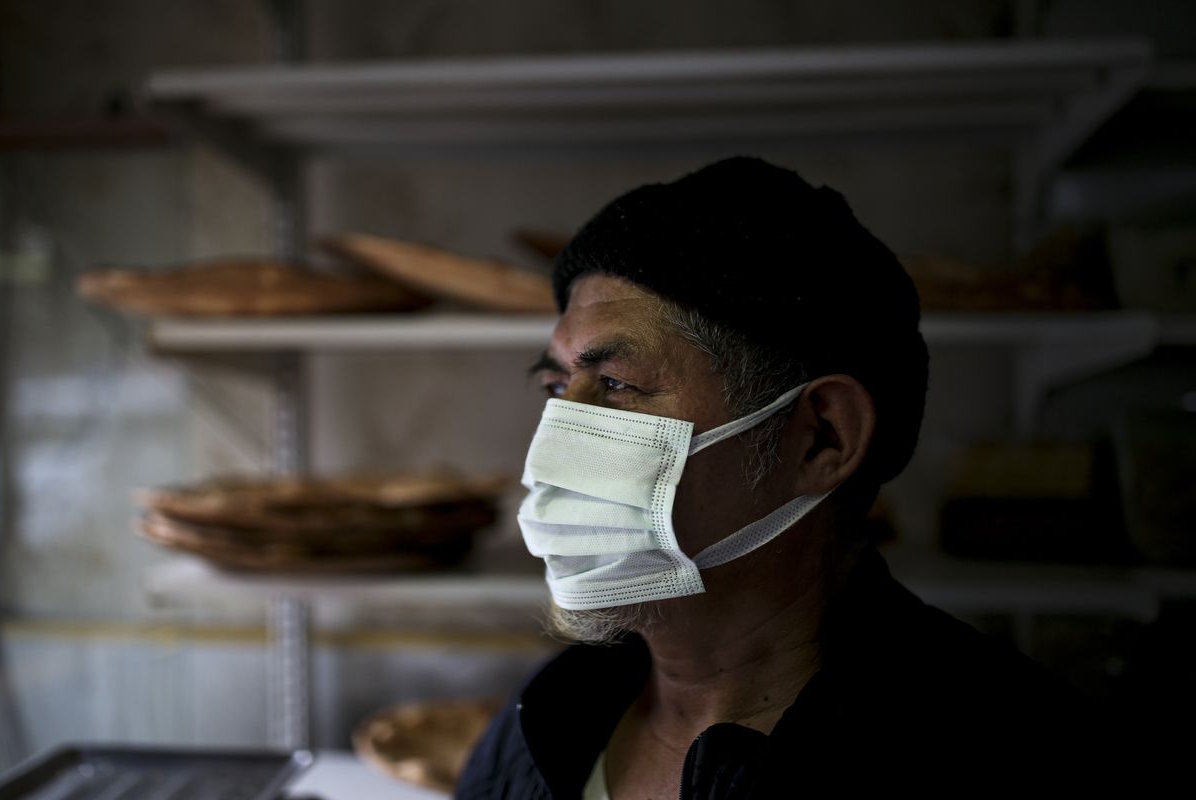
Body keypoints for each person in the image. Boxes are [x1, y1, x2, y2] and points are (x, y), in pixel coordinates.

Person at [456, 157, 1097, 799]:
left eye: (617, 386)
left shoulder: (1006, 755)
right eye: (557, 386)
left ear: (823, 438)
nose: (560, 438)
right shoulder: (544, 721)